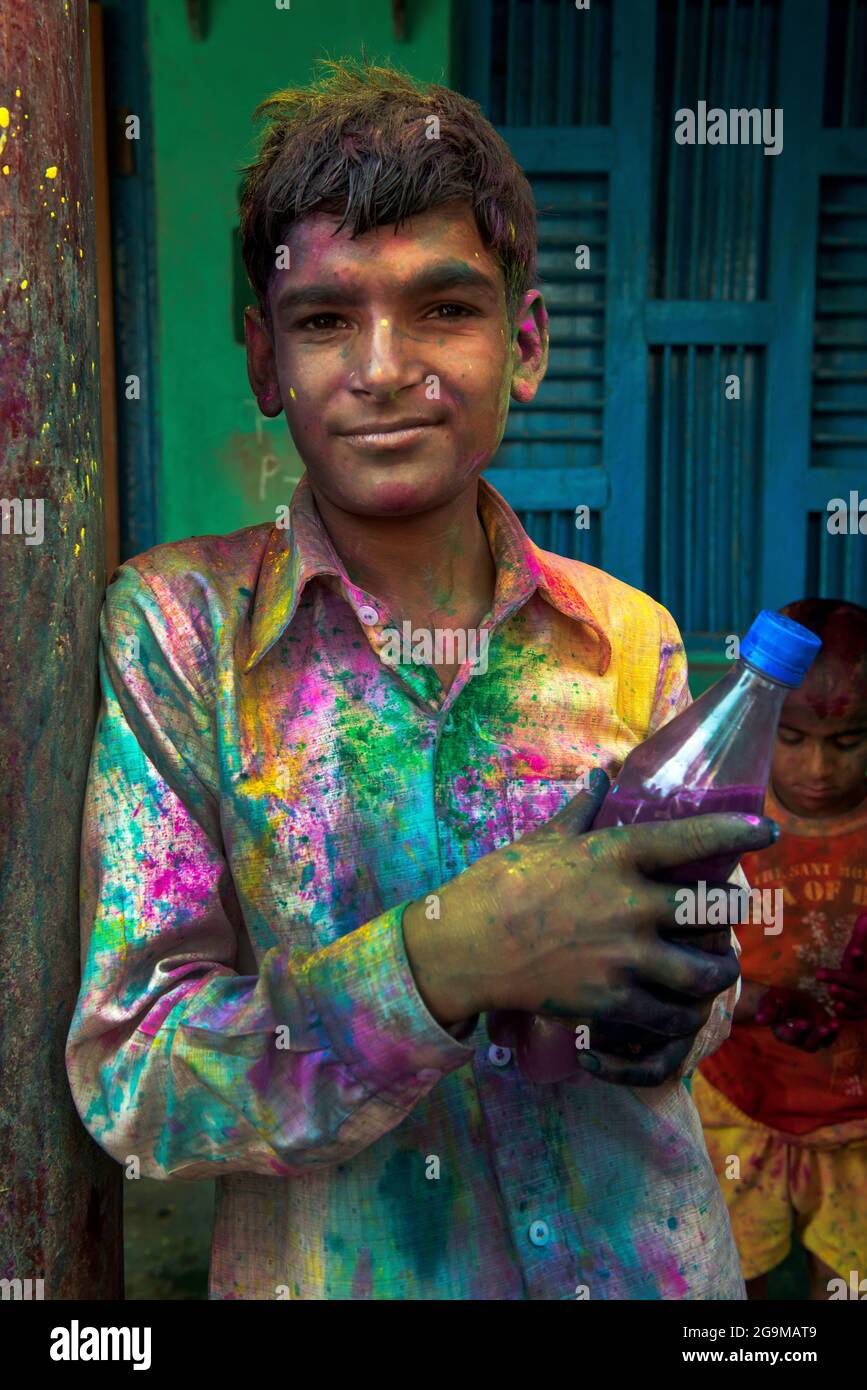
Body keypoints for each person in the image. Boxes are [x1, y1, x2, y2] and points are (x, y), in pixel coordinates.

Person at [65, 58, 775, 1300]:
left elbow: (702, 954)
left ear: (528, 341)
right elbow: (139, 1079)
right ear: (263, 360)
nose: (385, 367)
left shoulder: (628, 638)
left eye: (444, 308)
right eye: (327, 318)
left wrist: (670, 1010)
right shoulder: (178, 633)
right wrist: (449, 958)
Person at [693, 600, 867, 1300]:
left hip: (855, 1121)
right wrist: (752, 998)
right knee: (738, 1287)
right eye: (791, 739)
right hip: (739, 1103)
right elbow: (672, 939)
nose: (817, 767)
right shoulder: (723, 810)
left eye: (848, 742)